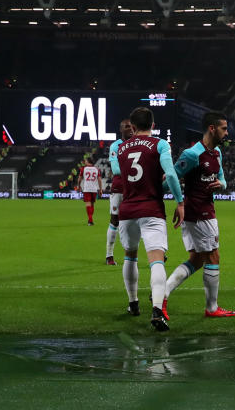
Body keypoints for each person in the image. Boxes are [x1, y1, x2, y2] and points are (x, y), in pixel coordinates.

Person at [116, 107, 184, 332]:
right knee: (156, 259)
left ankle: (133, 303)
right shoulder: (160, 144)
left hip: (127, 210)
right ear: (153, 125)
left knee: (130, 256)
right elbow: (171, 174)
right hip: (151, 209)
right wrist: (180, 202)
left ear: (133, 127)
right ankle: (156, 310)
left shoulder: (121, 148)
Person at [164, 111, 235, 318]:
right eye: (223, 128)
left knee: (196, 259)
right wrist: (178, 202)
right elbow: (171, 177)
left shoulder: (217, 154)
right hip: (199, 212)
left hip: (204, 210)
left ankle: (163, 292)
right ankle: (212, 308)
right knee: (213, 256)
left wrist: (220, 184)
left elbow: (223, 179)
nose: (227, 132)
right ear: (212, 129)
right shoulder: (192, 154)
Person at [105, 119, 133, 265]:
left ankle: (155, 252)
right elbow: (116, 170)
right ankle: (109, 255)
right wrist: (135, 170)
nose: (130, 128)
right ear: (120, 130)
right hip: (120, 188)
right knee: (115, 220)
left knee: (142, 218)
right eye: (126, 127)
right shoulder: (116, 145)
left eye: (131, 126)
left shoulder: (138, 143)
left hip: (136, 187)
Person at [80, 158, 100, 226]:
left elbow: (79, 179)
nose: (84, 162)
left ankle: (90, 220)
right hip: (94, 189)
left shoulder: (83, 168)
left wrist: (78, 185)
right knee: (92, 204)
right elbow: (99, 179)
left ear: (88, 161)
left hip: (87, 189)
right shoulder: (96, 169)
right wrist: (100, 189)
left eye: (85, 161)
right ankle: (90, 219)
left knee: (88, 204)